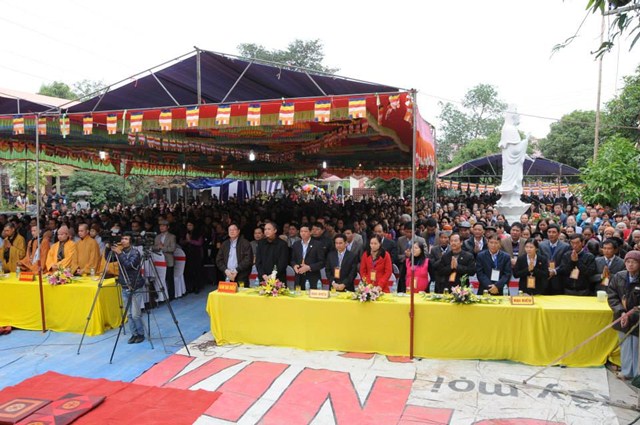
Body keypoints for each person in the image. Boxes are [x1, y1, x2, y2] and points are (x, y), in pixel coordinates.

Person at [607, 250, 640, 380]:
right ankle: (626, 372)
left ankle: (637, 375)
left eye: (634, 262)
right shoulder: (619, 276)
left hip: (637, 318)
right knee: (625, 345)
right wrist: (621, 311)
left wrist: (632, 313)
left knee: (636, 346)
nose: (630, 265)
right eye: (628, 262)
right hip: (622, 316)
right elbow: (612, 296)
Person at [112, 232, 145, 344]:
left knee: (135, 314)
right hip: (124, 285)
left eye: (126, 238)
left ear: (131, 241)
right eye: (122, 238)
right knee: (129, 314)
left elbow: (129, 265)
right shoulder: (120, 251)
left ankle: (140, 334)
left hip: (135, 286)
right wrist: (108, 248)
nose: (123, 240)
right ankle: (134, 334)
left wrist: (120, 253)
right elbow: (109, 259)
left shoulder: (135, 253)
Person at [496, 107, 531, 205]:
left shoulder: (507, 128)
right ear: (513, 117)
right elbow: (516, 150)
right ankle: (510, 198)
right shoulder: (510, 129)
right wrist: (526, 140)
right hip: (511, 164)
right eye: (517, 116)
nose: (519, 118)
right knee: (513, 183)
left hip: (510, 164)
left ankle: (512, 198)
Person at [290, 224, 325, 290]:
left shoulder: (317, 244)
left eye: (305, 231)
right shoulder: (296, 244)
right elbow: (292, 260)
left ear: (310, 232)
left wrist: (309, 267)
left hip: (312, 277)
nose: (303, 233)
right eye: (301, 231)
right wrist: (294, 265)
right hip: (299, 277)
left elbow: (322, 262)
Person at [539, 224, 571, 295]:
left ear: (559, 234)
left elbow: (565, 263)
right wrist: (546, 270)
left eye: (554, 232)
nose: (551, 234)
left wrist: (555, 271)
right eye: (549, 232)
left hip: (559, 278)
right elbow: (540, 260)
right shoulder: (541, 245)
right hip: (545, 278)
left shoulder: (566, 246)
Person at [154, 220, 177, 299]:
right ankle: (162, 295)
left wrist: (162, 247)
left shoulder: (172, 236)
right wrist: (158, 247)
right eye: (160, 226)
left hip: (168, 260)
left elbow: (172, 249)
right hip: (159, 260)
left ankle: (171, 295)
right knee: (160, 278)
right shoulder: (157, 237)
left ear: (168, 227)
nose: (161, 227)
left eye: (163, 226)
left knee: (169, 278)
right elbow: (154, 247)